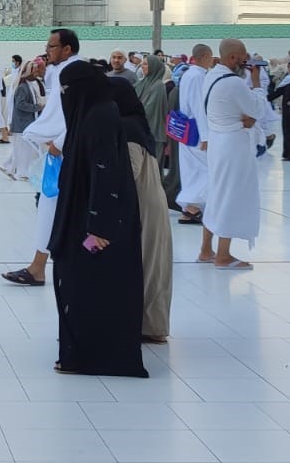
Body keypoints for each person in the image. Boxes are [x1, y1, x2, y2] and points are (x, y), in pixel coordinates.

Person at [47, 60, 149, 377]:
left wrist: (100, 226)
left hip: (98, 229)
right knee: (80, 286)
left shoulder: (101, 117)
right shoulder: (91, 113)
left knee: (93, 287)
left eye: (67, 89)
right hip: (84, 219)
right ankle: (80, 353)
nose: (64, 95)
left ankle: (95, 356)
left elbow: (108, 173)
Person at [2, 30, 81, 287]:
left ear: (67, 49)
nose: (47, 51)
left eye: (52, 46)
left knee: (58, 209)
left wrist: (59, 142)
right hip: (59, 149)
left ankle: (41, 268)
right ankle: (38, 267)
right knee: (50, 208)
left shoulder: (74, 73)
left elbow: (78, 113)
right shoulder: (62, 72)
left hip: (68, 151)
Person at [200, 39, 269, 269]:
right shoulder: (234, 83)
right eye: (243, 58)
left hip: (218, 142)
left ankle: (205, 250)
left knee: (217, 192)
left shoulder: (211, 76)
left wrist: (244, 117)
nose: (246, 62)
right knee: (230, 195)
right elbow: (258, 109)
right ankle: (223, 255)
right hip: (232, 146)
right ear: (232, 58)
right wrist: (257, 82)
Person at [114, 75, 173, 343]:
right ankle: (152, 325)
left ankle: (149, 327)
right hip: (151, 201)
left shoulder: (125, 128)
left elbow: (129, 171)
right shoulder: (136, 122)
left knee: (147, 265)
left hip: (143, 204)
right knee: (154, 265)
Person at [175, 44, 216, 224]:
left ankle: (189, 207)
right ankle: (192, 207)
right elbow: (199, 107)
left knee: (191, 170)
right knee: (206, 170)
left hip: (186, 129)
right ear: (206, 57)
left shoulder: (188, 74)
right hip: (197, 132)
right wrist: (206, 136)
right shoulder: (199, 76)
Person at [0, 56, 46, 182]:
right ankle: (21, 173)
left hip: (25, 122)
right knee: (23, 151)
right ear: (28, 72)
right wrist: (37, 107)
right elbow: (20, 104)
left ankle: (9, 167)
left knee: (21, 150)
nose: (36, 73)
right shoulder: (22, 87)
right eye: (34, 71)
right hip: (22, 123)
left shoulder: (28, 85)